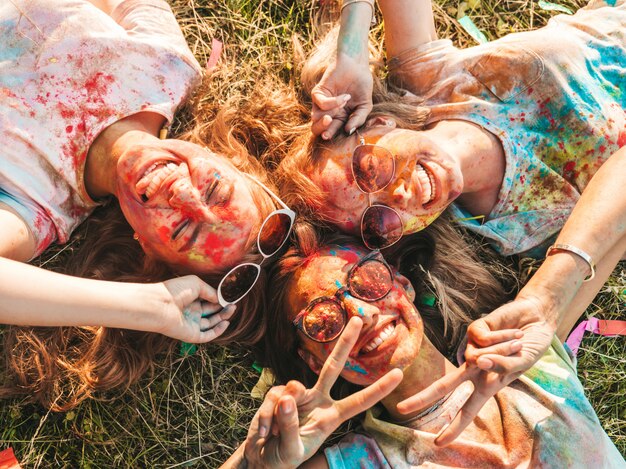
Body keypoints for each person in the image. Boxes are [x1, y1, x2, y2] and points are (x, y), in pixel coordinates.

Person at [275, 0, 626, 442]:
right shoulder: (503, 233)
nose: (401, 197)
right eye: (381, 221)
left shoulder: (425, 84)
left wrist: (352, 47)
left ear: (378, 122)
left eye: (371, 170)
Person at [0, 0, 293, 410]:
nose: (182, 195)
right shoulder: (168, 67)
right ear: (230, 160)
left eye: (180, 228)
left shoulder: (37, 207)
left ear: (146, 249)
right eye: (215, 191)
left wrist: (152, 307)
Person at [223, 231, 624, 467]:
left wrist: (547, 297)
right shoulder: (363, 462)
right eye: (323, 320)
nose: (361, 314)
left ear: (403, 285)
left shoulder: (520, 353)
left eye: (366, 280)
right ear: (313, 359)